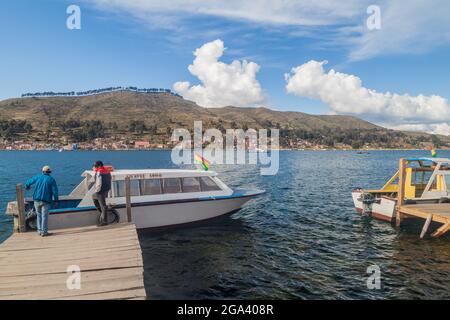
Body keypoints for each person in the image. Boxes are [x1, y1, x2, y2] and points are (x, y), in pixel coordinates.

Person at [25, 166, 59, 237]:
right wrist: (56, 200)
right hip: (46, 201)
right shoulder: (51, 179)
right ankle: (44, 232)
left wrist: (27, 187)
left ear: (42, 171)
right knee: (44, 216)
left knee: (39, 215)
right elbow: (55, 191)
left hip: (36, 200)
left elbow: (28, 182)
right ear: (50, 172)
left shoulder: (38, 177)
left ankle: (39, 231)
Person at [92, 161, 112, 226]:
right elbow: (109, 179)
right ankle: (103, 213)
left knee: (103, 205)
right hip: (106, 189)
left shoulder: (99, 172)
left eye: (95, 166)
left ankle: (104, 221)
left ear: (99, 166)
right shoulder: (107, 171)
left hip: (100, 191)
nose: (94, 167)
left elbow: (99, 183)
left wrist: (97, 191)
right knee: (94, 197)